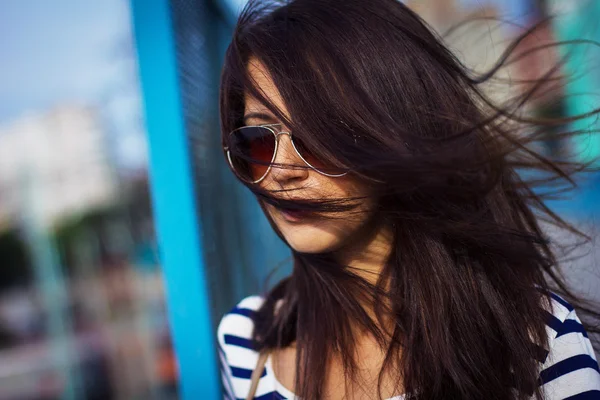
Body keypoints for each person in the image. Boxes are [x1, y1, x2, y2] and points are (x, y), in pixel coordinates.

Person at [216, 0, 600, 399]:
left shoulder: (536, 342)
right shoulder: (246, 343)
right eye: (258, 141)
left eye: (317, 137)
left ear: (396, 132)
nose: (281, 170)